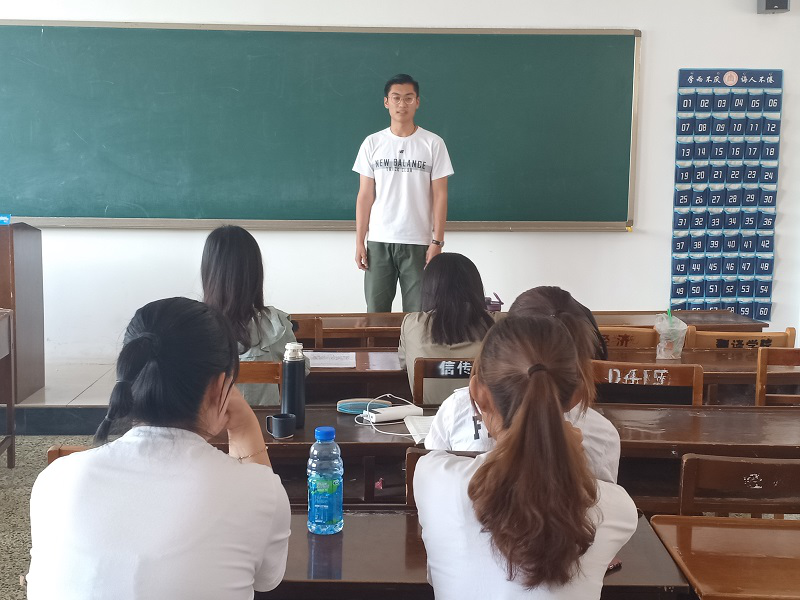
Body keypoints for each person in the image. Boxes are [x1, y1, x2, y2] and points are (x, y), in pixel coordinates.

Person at [27, 297, 291, 600]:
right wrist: (245, 429)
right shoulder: (258, 491)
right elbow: (267, 580)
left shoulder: (56, 478)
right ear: (221, 387)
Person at [415, 316, 637, 600]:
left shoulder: (433, 477)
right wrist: (575, 457)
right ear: (576, 397)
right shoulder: (617, 509)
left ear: (478, 394)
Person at [425, 286, 620, 483]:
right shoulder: (603, 435)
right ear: (577, 390)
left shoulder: (455, 410)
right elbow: (606, 497)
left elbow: (430, 480)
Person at [353, 73, 454, 312]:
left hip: (418, 241)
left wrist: (437, 241)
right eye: (396, 98)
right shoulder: (372, 143)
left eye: (408, 98)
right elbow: (365, 196)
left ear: (417, 102)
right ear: (386, 102)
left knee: (418, 314)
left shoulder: (433, 143)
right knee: (376, 314)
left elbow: (440, 195)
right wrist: (359, 241)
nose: (402, 104)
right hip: (379, 241)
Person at [202, 224, 308, 406]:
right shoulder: (275, 325)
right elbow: (302, 369)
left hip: (209, 424)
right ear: (255, 273)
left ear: (208, 272)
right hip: (263, 423)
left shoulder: (192, 326)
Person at [399, 252, 495, 404]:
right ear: (475, 286)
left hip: (427, 416)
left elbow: (403, 364)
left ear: (428, 287)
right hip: (481, 415)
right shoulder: (496, 324)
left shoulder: (411, 323)